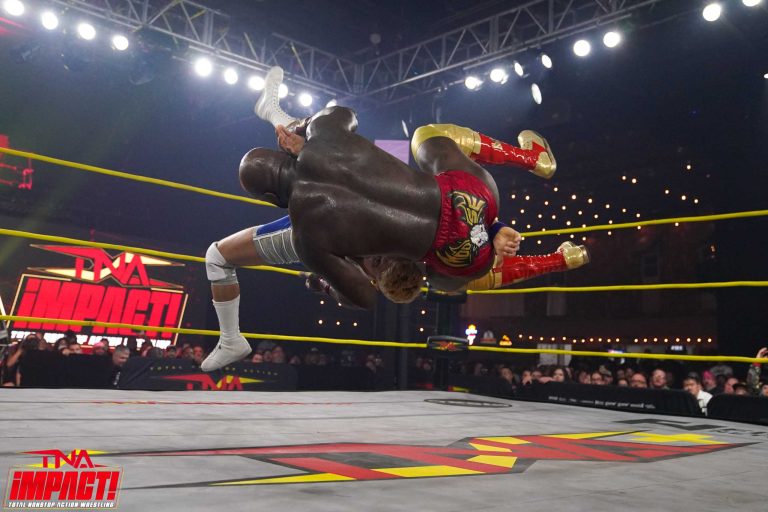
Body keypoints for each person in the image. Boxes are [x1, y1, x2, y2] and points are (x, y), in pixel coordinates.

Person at [201, 66, 586, 372]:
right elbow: (344, 114)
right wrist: (306, 128)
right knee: (427, 135)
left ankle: (558, 260)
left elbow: (367, 296)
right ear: (285, 154)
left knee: (444, 277)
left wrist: (326, 282)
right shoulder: (326, 136)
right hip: (471, 196)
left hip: (456, 253)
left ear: (272, 200)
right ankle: (531, 159)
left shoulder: (306, 237)